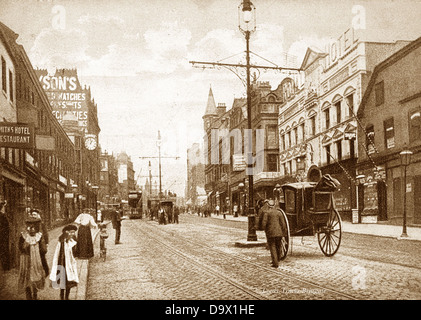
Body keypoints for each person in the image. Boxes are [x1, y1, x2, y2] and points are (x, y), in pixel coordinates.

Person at [17, 212, 49, 300]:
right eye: (30, 227)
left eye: (34, 227)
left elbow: (43, 250)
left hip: (36, 259)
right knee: (27, 277)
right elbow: (20, 247)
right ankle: (29, 295)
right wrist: (25, 245)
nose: (32, 229)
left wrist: (41, 248)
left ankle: (34, 294)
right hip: (26, 259)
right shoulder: (24, 236)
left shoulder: (39, 236)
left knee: (35, 276)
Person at [49, 224, 79, 300]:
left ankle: (67, 296)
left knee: (69, 281)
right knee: (63, 281)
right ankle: (62, 296)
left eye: (74, 232)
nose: (72, 234)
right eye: (71, 232)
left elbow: (74, 253)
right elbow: (58, 254)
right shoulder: (62, 242)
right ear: (67, 232)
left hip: (70, 264)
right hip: (62, 263)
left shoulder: (72, 242)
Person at [261, 199, 288, 269]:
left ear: (268, 205)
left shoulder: (267, 213)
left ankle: (275, 263)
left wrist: (264, 229)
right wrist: (284, 232)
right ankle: (278, 259)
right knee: (278, 246)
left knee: (272, 246)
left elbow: (264, 223)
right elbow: (283, 224)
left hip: (271, 233)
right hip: (279, 233)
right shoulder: (279, 213)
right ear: (274, 205)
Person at [0, 200, 10, 272]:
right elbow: (7, 226)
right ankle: (5, 267)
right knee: (4, 250)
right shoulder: (3, 216)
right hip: (3, 236)